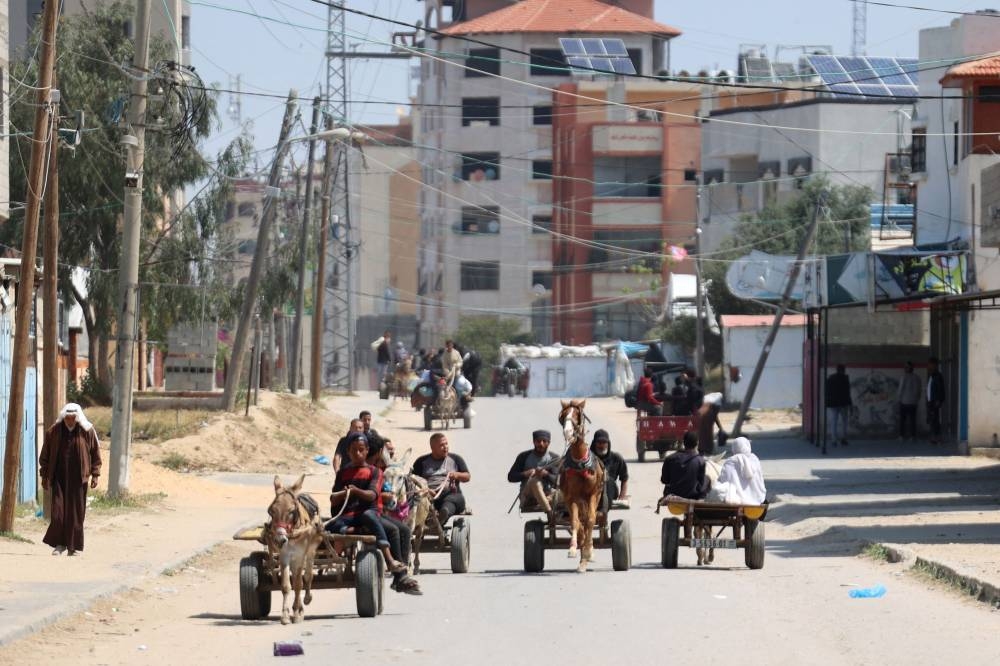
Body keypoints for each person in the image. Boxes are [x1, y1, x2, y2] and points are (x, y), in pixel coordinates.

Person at [327, 433, 409, 577]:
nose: (357, 453)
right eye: (353, 450)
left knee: (371, 517)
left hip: (368, 512)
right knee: (325, 528)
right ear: (348, 452)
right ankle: (333, 557)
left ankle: (393, 565)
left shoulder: (375, 472)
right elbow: (333, 499)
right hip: (347, 515)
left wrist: (356, 491)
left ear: (366, 450)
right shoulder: (343, 473)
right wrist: (344, 494)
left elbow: (372, 495)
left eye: (361, 450)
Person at [39, 403, 101, 556]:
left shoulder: (87, 431)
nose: (70, 420)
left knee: (76, 513)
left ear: (77, 417)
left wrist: (95, 474)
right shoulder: (54, 431)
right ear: (64, 417)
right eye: (67, 417)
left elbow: (95, 454)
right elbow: (45, 456)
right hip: (59, 478)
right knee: (58, 513)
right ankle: (60, 545)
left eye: (73, 418)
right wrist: (45, 475)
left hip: (79, 479)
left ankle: (73, 547)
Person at [412, 433, 471, 524]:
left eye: (446, 444)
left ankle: (443, 515)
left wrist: (457, 475)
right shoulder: (421, 462)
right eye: (441, 445)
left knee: (451, 501)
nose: (445, 447)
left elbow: (467, 477)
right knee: (417, 501)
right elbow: (413, 481)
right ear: (433, 448)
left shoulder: (456, 459)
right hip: (428, 496)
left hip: (451, 495)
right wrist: (426, 490)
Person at [507, 429, 561, 514]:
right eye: (538, 441)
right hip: (528, 495)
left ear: (548, 443)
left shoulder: (554, 458)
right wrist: (525, 474)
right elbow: (511, 477)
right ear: (534, 442)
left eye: (544, 441)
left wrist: (545, 474)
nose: (541, 444)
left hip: (548, 493)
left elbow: (557, 481)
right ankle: (549, 512)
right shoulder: (524, 456)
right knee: (535, 481)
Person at [707, 437, 766, 505]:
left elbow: (724, 481)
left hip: (734, 500)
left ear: (734, 448)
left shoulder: (730, 461)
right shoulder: (754, 460)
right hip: (758, 499)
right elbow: (760, 481)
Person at [660, 431, 711, 500]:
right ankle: (701, 500)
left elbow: (664, 480)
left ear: (684, 443)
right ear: (697, 443)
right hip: (693, 496)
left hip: (672, 494)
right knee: (707, 479)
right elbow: (701, 484)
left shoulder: (670, 458)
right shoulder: (700, 461)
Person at [590, 429, 629, 506]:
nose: (602, 445)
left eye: (604, 442)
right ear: (594, 443)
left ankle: (603, 511)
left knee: (607, 480)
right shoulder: (588, 459)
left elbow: (624, 479)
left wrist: (622, 496)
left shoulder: (616, 458)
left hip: (609, 491)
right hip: (590, 492)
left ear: (608, 444)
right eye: (599, 442)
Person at [825, 364, 853, 446]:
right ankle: (843, 439)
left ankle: (834, 440)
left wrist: (827, 402)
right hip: (843, 403)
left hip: (833, 403)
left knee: (834, 422)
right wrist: (850, 404)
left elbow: (827, 391)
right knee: (844, 422)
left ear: (836, 370)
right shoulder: (845, 378)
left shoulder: (830, 378)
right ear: (843, 370)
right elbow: (848, 392)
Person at [897, 361, 921, 441]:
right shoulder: (917, 377)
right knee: (912, 420)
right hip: (913, 402)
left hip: (904, 402)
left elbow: (900, 389)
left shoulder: (903, 377)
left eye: (906, 367)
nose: (905, 368)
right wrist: (917, 399)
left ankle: (901, 436)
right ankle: (912, 436)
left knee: (902, 420)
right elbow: (919, 390)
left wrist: (899, 399)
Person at [927, 356, 945, 445]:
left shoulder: (938, 376)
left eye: (930, 364)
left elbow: (940, 389)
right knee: (932, 419)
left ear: (934, 365)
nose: (928, 366)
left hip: (935, 401)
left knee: (935, 420)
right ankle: (934, 437)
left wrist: (938, 400)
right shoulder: (932, 375)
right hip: (931, 401)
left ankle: (938, 438)